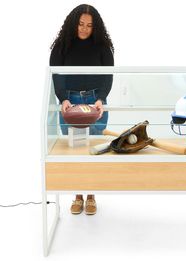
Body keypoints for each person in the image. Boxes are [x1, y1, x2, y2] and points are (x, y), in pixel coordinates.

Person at [49, 4, 114, 215]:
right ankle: (77, 195)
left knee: (93, 149)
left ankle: (92, 195)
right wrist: (63, 99)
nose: (85, 29)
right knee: (74, 150)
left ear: (95, 27)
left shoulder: (103, 47)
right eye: (81, 24)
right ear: (73, 24)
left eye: (89, 26)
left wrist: (102, 98)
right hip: (71, 101)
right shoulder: (61, 46)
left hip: (95, 100)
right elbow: (56, 75)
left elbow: (108, 75)